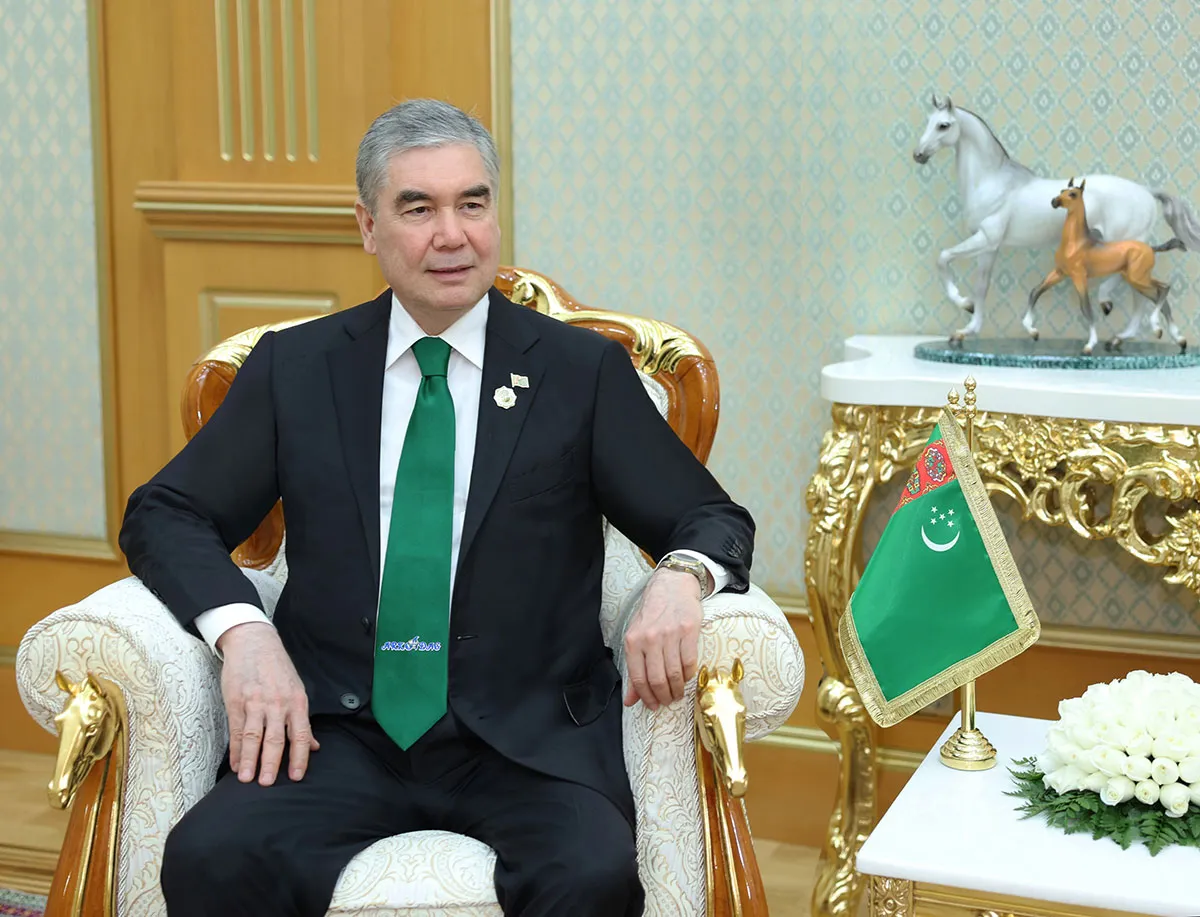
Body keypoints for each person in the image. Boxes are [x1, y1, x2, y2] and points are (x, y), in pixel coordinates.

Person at [119, 98, 754, 917]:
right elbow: (165, 511)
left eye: (471, 204)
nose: (451, 235)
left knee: (591, 874)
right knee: (211, 855)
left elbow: (711, 517)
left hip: (529, 739)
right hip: (336, 730)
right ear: (368, 226)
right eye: (417, 208)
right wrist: (243, 631)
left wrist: (679, 577)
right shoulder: (298, 368)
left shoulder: (578, 372)